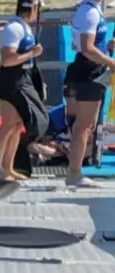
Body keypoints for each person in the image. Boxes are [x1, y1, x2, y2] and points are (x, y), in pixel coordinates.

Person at [0, 0, 48, 181]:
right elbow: (7, 60)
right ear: (31, 9)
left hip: (24, 79)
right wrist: (32, 53)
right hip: (11, 80)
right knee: (8, 125)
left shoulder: (25, 28)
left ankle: (8, 167)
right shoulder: (13, 28)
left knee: (17, 125)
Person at [64, 0, 115, 186]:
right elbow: (86, 48)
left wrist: (106, 48)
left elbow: (78, 44)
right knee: (82, 126)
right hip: (89, 72)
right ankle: (74, 172)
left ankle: (75, 170)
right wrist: (110, 62)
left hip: (91, 70)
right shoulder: (89, 12)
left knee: (86, 125)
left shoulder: (92, 9)